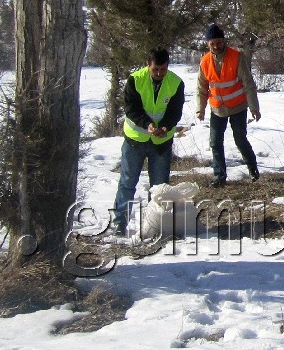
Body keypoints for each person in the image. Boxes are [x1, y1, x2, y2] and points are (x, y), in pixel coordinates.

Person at [112, 47, 185, 236]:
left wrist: (165, 127)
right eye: (156, 69)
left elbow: (175, 112)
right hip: (135, 140)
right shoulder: (135, 80)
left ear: (168, 66)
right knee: (127, 183)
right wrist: (149, 125)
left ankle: (156, 225)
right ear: (148, 65)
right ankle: (119, 225)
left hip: (161, 143)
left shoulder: (176, 83)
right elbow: (131, 109)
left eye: (163, 69)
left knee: (160, 187)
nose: (159, 73)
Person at [196, 23, 261, 186]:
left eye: (219, 42)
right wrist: (200, 109)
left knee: (240, 139)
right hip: (217, 109)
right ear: (207, 44)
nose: (217, 46)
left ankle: (253, 169)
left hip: (238, 106)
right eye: (213, 43)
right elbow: (201, 88)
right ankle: (219, 177)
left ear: (224, 41)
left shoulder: (236, 56)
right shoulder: (204, 62)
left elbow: (248, 83)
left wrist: (254, 107)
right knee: (215, 142)